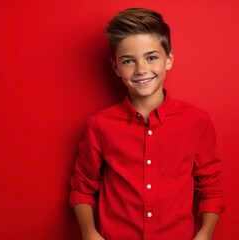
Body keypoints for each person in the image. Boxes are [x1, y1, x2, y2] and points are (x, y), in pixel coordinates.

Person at [69, 8, 224, 240]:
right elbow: (82, 188)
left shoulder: (197, 121)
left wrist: (205, 233)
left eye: (151, 57)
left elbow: (210, 185)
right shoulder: (99, 125)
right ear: (115, 67)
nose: (141, 69)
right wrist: (89, 232)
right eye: (129, 61)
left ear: (169, 59)